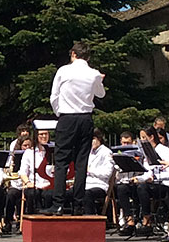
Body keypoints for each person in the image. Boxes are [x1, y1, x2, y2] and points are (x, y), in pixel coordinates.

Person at [43, 41, 105, 215]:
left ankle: (58, 204)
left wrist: (60, 114)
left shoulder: (63, 71)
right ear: (88, 56)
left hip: (67, 117)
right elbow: (101, 94)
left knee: (62, 161)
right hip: (85, 118)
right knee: (81, 162)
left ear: (73, 54)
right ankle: (78, 205)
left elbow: (54, 96)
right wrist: (99, 80)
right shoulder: (93, 73)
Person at [83, 129, 114, 216]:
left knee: (86, 194)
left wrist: (90, 171)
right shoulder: (88, 152)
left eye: (92, 139)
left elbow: (107, 173)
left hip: (99, 185)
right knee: (68, 193)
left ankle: (90, 219)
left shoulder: (106, 152)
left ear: (98, 139)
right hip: (86, 184)